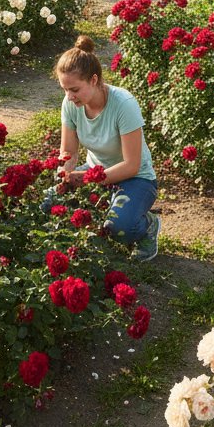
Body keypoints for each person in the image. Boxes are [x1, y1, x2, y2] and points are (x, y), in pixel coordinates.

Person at [54, 36, 160, 261]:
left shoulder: (123, 104)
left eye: (74, 89)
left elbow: (131, 165)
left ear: (93, 80)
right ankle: (108, 206)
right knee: (50, 202)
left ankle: (147, 225)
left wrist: (87, 180)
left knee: (118, 226)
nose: (69, 96)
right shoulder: (71, 104)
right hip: (95, 172)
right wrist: (64, 175)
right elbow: (69, 152)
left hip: (136, 178)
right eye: (64, 90)